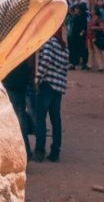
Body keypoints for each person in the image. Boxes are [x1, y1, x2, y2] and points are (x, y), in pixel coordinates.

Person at [32, 27, 69, 162]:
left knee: (40, 118)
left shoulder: (50, 42)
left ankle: (39, 150)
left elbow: (46, 59)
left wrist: (37, 78)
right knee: (55, 119)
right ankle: (55, 151)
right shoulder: (63, 47)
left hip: (47, 84)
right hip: (58, 87)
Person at [87, 5, 104, 72]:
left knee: (97, 51)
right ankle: (89, 65)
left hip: (96, 37)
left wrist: (93, 28)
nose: (91, 11)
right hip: (90, 36)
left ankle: (101, 66)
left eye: (92, 9)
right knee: (90, 51)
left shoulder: (99, 19)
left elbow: (102, 27)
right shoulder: (91, 18)